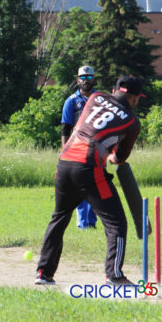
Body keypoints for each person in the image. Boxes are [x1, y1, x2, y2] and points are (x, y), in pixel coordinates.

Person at [36, 75, 144, 285]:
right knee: (116, 223)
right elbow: (120, 157)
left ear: (114, 90)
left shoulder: (95, 97)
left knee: (59, 218)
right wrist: (112, 157)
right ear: (134, 98)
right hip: (88, 168)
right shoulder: (132, 121)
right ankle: (114, 275)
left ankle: (43, 273)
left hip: (64, 162)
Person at [61, 66, 98, 229]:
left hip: (96, 148)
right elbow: (65, 128)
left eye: (89, 77)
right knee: (80, 186)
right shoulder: (71, 101)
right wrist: (65, 151)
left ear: (94, 79)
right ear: (78, 80)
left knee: (95, 185)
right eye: (83, 77)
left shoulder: (99, 99)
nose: (86, 81)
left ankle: (92, 222)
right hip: (77, 149)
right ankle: (83, 223)